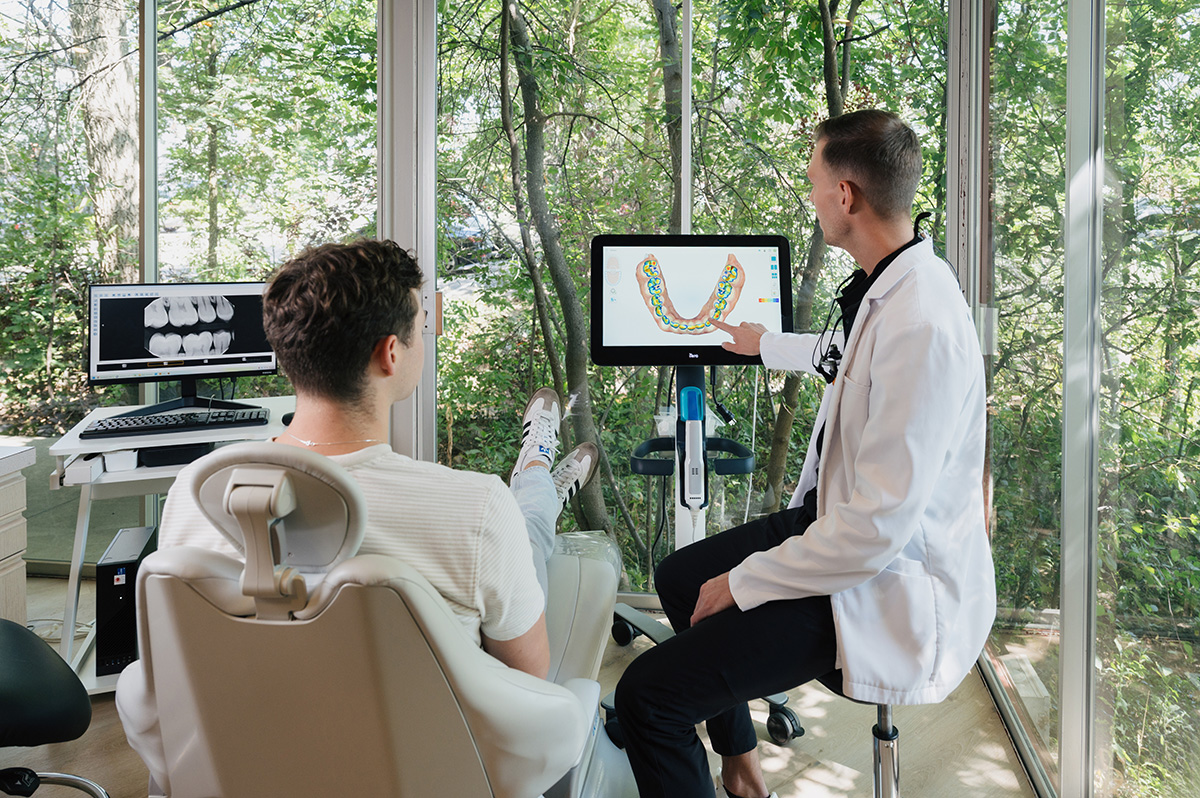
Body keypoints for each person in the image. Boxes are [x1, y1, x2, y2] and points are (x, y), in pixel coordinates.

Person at [613, 110, 996, 798]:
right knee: (678, 578)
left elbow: (875, 532)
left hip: (879, 577)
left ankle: (717, 750)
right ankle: (742, 762)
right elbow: (842, 357)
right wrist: (763, 343)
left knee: (648, 696)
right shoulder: (893, 282)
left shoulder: (923, 323)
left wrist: (749, 580)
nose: (812, 194)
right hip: (839, 529)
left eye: (815, 179)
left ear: (846, 195)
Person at [156, 239, 598, 679]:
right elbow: (529, 681)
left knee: (518, 533)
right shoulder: (475, 506)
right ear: (391, 354)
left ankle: (538, 476)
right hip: (430, 748)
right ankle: (536, 473)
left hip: (251, 741)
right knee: (528, 533)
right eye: (422, 327)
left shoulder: (196, 492)